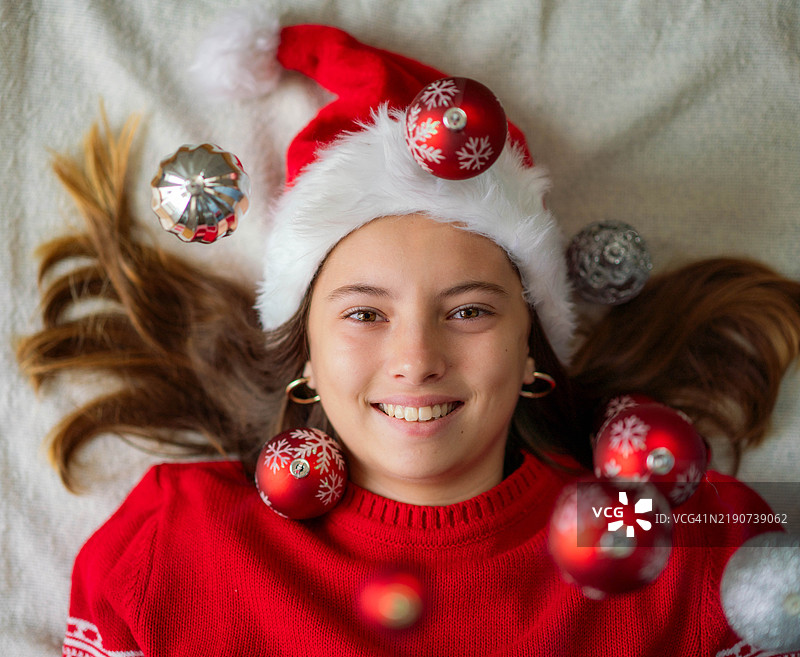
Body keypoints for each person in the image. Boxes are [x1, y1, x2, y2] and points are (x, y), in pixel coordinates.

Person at [16, 21, 800, 657]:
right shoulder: (173, 541)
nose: (417, 358)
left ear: (530, 350)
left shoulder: (698, 545)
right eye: (364, 313)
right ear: (308, 360)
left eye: (468, 311)